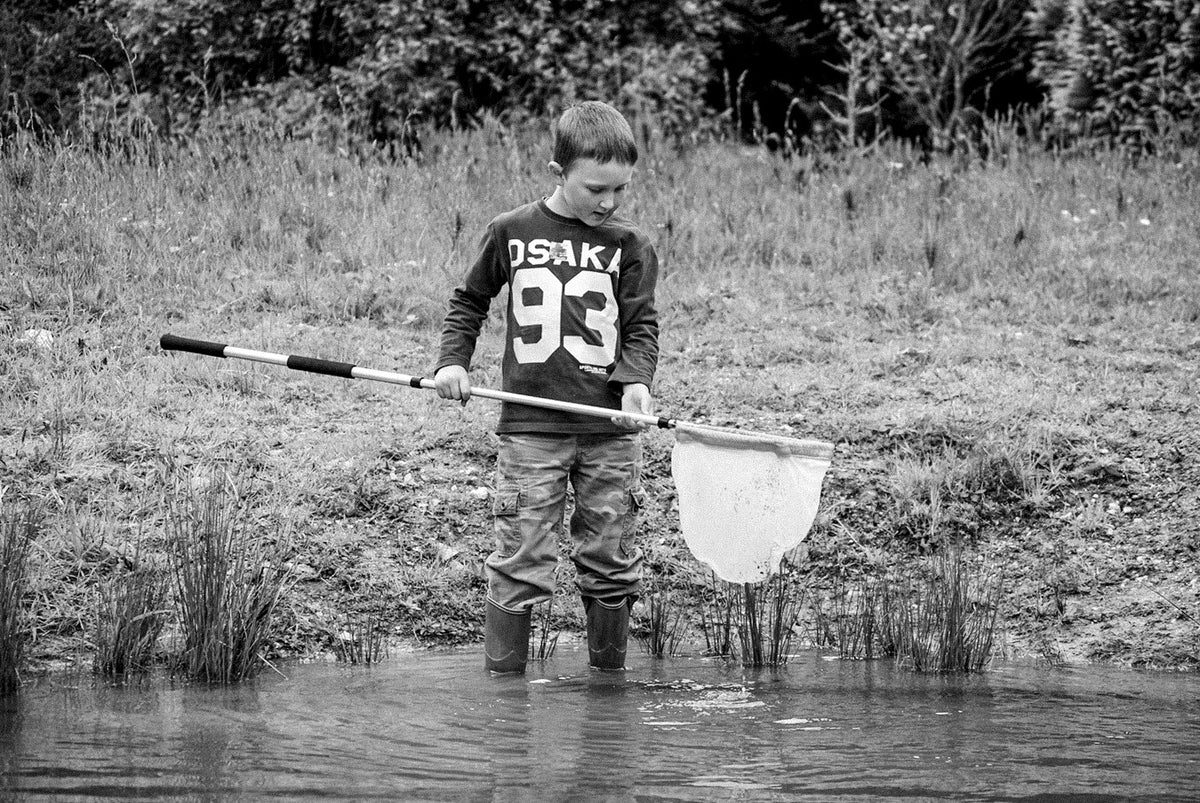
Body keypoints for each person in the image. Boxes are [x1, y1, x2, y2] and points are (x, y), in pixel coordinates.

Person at [433, 100, 659, 674]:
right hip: (530, 429)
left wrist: (635, 384)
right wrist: (453, 363)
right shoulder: (512, 231)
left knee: (609, 554)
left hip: (610, 431)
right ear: (557, 172)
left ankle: (609, 692)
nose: (608, 202)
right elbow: (469, 301)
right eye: (595, 189)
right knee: (522, 555)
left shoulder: (630, 245)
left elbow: (640, 327)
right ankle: (505, 698)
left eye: (621, 190)